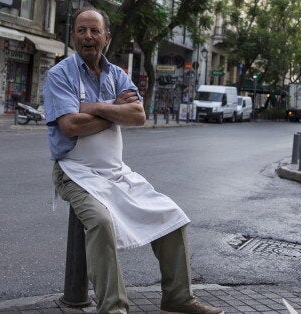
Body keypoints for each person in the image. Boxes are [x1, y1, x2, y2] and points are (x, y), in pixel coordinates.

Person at [43, 7, 223, 314]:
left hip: (116, 173)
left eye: (95, 31)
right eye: (82, 30)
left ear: (107, 37)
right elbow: (70, 125)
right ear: (73, 36)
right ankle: (113, 308)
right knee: (101, 222)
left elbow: (138, 116)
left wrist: (95, 107)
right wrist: (115, 112)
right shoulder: (60, 74)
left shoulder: (118, 74)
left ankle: (177, 298)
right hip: (75, 172)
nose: (88, 36)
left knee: (172, 217)